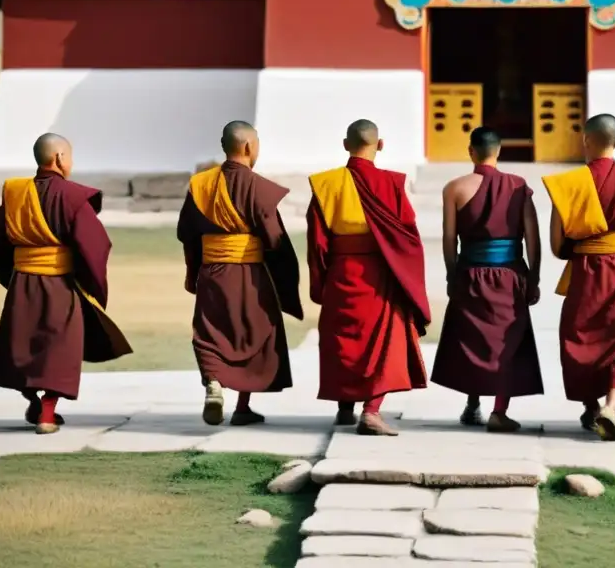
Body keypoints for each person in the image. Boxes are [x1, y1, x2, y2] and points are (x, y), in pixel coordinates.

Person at [0, 133, 132, 434]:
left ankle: (33, 400)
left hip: (22, 283)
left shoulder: (15, 193)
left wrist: (11, 274)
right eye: (70, 157)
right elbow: (95, 245)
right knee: (58, 350)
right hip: (59, 285)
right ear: (60, 158)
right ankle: (47, 415)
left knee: (22, 346)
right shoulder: (71, 196)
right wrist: (90, 285)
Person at [307, 119, 429, 436]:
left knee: (342, 339)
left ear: (346, 145)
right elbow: (408, 238)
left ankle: (344, 408)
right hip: (379, 276)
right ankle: (371, 411)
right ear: (380, 145)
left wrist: (321, 284)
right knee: (383, 340)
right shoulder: (391, 184)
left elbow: (317, 243)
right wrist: (406, 278)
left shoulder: (326, 185)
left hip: (340, 272)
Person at [178, 121, 303, 426]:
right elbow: (275, 240)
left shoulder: (201, 185)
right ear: (248, 146)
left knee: (210, 333)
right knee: (252, 334)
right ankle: (241, 405)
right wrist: (284, 280)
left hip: (212, 273)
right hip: (250, 276)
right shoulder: (259, 187)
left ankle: (214, 384)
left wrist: (193, 272)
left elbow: (187, 233)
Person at [542, 114, 615, 442]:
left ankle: (591, 406)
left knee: (578, 336)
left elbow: (558, 246)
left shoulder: (569, 184)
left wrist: (582, 249)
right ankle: (611, 407)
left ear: (586, 140)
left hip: (586, 270)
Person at [431, 127, 544, 432]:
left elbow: (448, 238)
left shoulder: (454, 188)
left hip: (469, 273)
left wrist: (451, 275)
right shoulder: (518, 186)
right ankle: (499, 410)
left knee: (474, 341)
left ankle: (472, 405)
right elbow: (532, 239)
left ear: (471, 151)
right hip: (510, 275)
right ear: (499, 152)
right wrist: (534, 277)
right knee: (507, 343)